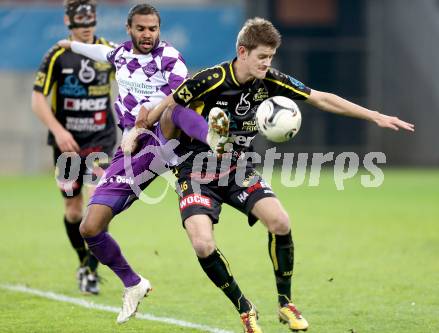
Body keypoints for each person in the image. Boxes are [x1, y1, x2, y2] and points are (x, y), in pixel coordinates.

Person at [139, 17, 415, 333]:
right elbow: (172, 107)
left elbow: (321, 98)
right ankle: (244, 307)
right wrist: (144, 130)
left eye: (271, 57)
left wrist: (373, 115)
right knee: (202, 244)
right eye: (262, 57)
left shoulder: (269, 80)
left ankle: (286, 304)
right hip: (195, 172)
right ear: (242, 52)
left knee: (280, 221)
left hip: (236, 168)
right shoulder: (210, 80)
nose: (267, 64)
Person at [57, 3, 228, 324]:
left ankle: (215, 139)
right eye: (141, 29)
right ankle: (133, 284)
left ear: (159, 29)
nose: (147, 34)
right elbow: (98, 52)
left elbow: (180, 94)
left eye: (152, 28)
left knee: (171, 110)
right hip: (134, 150)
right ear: (129, 29)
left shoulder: (169, 57)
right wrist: (69, 45)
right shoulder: (120, 54)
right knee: (90, 227)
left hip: (167, 138)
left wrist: (139, 126)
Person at [31, 0, 118, 295]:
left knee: (97, 201)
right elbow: (38, 99)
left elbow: (132, 81)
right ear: (69, 23)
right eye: (80, 24)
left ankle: (92, 271)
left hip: (101, 139)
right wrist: (58, 130)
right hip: (67, 144)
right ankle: (84, 262)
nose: (86, 29)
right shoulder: (57, 55)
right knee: (73, 209)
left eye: (90, 23)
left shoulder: (108, 50)